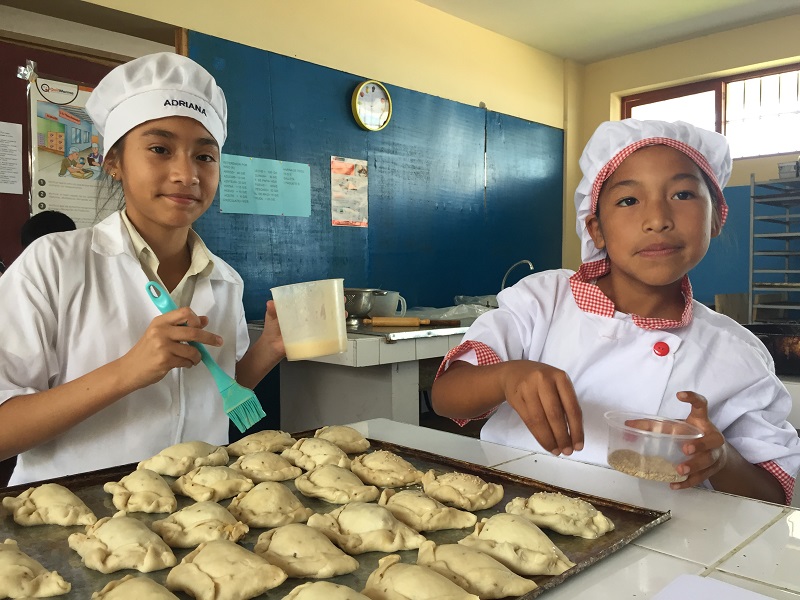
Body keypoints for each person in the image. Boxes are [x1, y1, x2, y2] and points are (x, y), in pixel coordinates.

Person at [432, 119, 800, 505]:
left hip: (656, 551)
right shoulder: (543, 301)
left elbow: (774, 494)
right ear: (596, 230)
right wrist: (506, 377)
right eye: (628, 200)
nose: (657, 219)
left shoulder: (738, 354)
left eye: (683, 194)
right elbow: (445, 395)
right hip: (506, 513)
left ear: (717, 217)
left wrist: (721, 458)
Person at [0, 53, 285, 486]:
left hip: (196, 515)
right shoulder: (52, 264)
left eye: (205, 156)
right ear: (113, 162)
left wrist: (269, 350)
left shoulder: (224, 280)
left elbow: (216, 387)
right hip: (69, 520)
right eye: (159, 149)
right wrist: (128, 371)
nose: (186, 174)